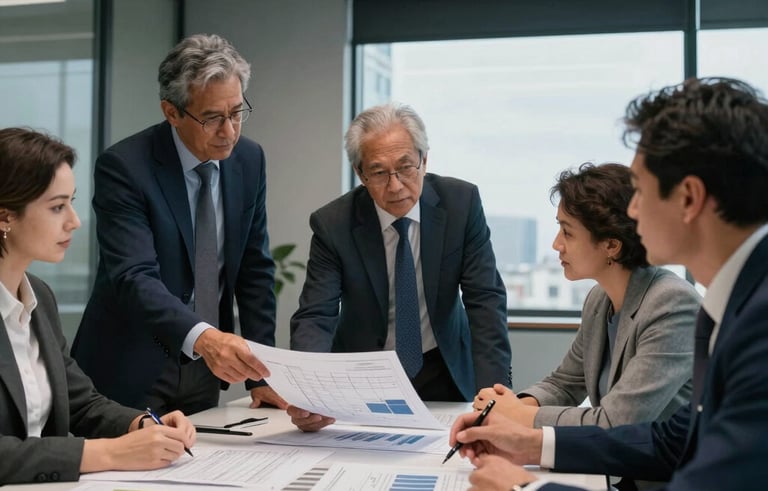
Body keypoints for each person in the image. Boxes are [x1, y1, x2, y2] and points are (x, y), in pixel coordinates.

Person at [449, 77, 768, 490]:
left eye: (640, 191)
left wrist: (525, 487)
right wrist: (530, 444)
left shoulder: (753, 325)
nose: (632, 210)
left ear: (688, 198)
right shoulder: (728, 307)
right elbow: (674, 442)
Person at [71, 33, 285, 415]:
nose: (229, 131)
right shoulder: (125, 167)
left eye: (237, 112)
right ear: (171, 112)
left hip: (204, 368)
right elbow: (133, 276)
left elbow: (254, 269)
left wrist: (262, 374)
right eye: (213, 118)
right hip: (132, 363)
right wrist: (204, 338)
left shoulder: (249, 160)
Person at [288, 102, 511, 431]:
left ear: (424, 160)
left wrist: (495, 398)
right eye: (379, 172)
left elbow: (485, 301)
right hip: (363, 373)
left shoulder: (461, 204)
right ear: (361, 174)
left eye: (406, 167)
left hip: (443, 366)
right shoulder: (332, 224)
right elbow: (316, 315)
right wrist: (311, 393)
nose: (395, 186)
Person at [0, 127, 196, 484]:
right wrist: (106, 453)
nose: (74, 221)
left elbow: (81, 403)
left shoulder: (39, 296)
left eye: (71, 202)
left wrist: (142, 424)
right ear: (5, 216)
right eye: (57, 206)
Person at [474, 163, 700, 433]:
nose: (556, 244)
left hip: (664, 473)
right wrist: (513, 405)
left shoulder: (672, 304)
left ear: (612, 246)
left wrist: (518, 417)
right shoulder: (599, 299)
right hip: (616, 465)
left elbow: (616, 421)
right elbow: (565, 383)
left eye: (567, 232)